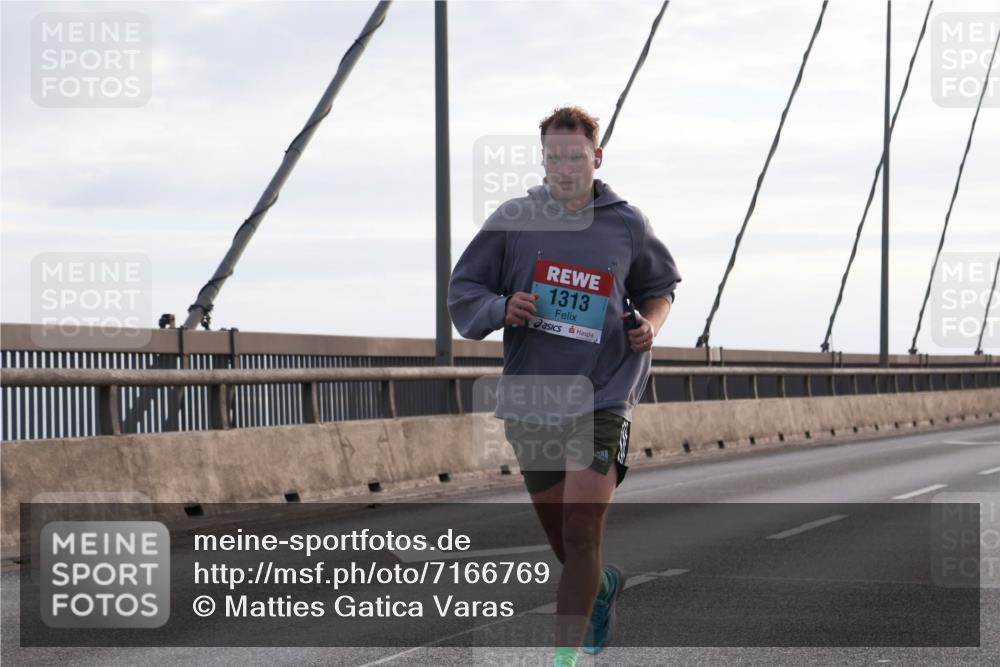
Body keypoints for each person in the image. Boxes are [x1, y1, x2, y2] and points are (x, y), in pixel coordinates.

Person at [447, 105, 681, 666]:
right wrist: (505, 307)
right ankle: (599, 588)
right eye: (553, 156)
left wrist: (650, 324)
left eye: (575, 156)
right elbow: (464, 293)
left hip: (603, 395)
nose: (564, 166)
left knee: (581, 528)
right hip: (534, 397)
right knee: (566, 542)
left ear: (595, 158)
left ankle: (562, 660)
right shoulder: (513, 220)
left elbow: (661, 289)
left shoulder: (626, 222)